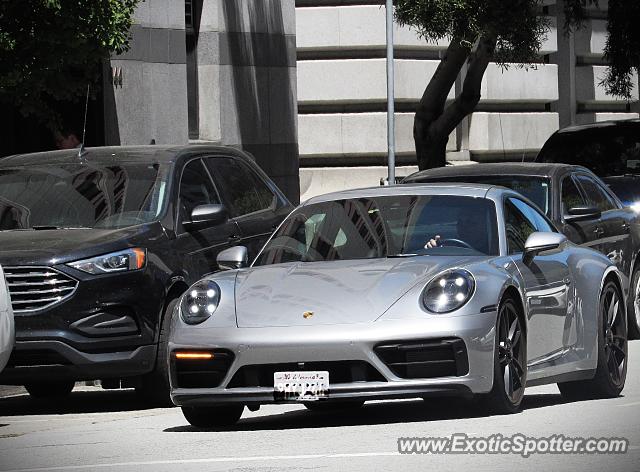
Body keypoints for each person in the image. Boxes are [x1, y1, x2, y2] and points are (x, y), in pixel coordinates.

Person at [425, 206, 490, 254]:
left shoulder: (494, 248)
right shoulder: (449, 246)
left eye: (470, 223)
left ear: (484, 226)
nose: (464, 227)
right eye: (460, 223)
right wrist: (431, 249)